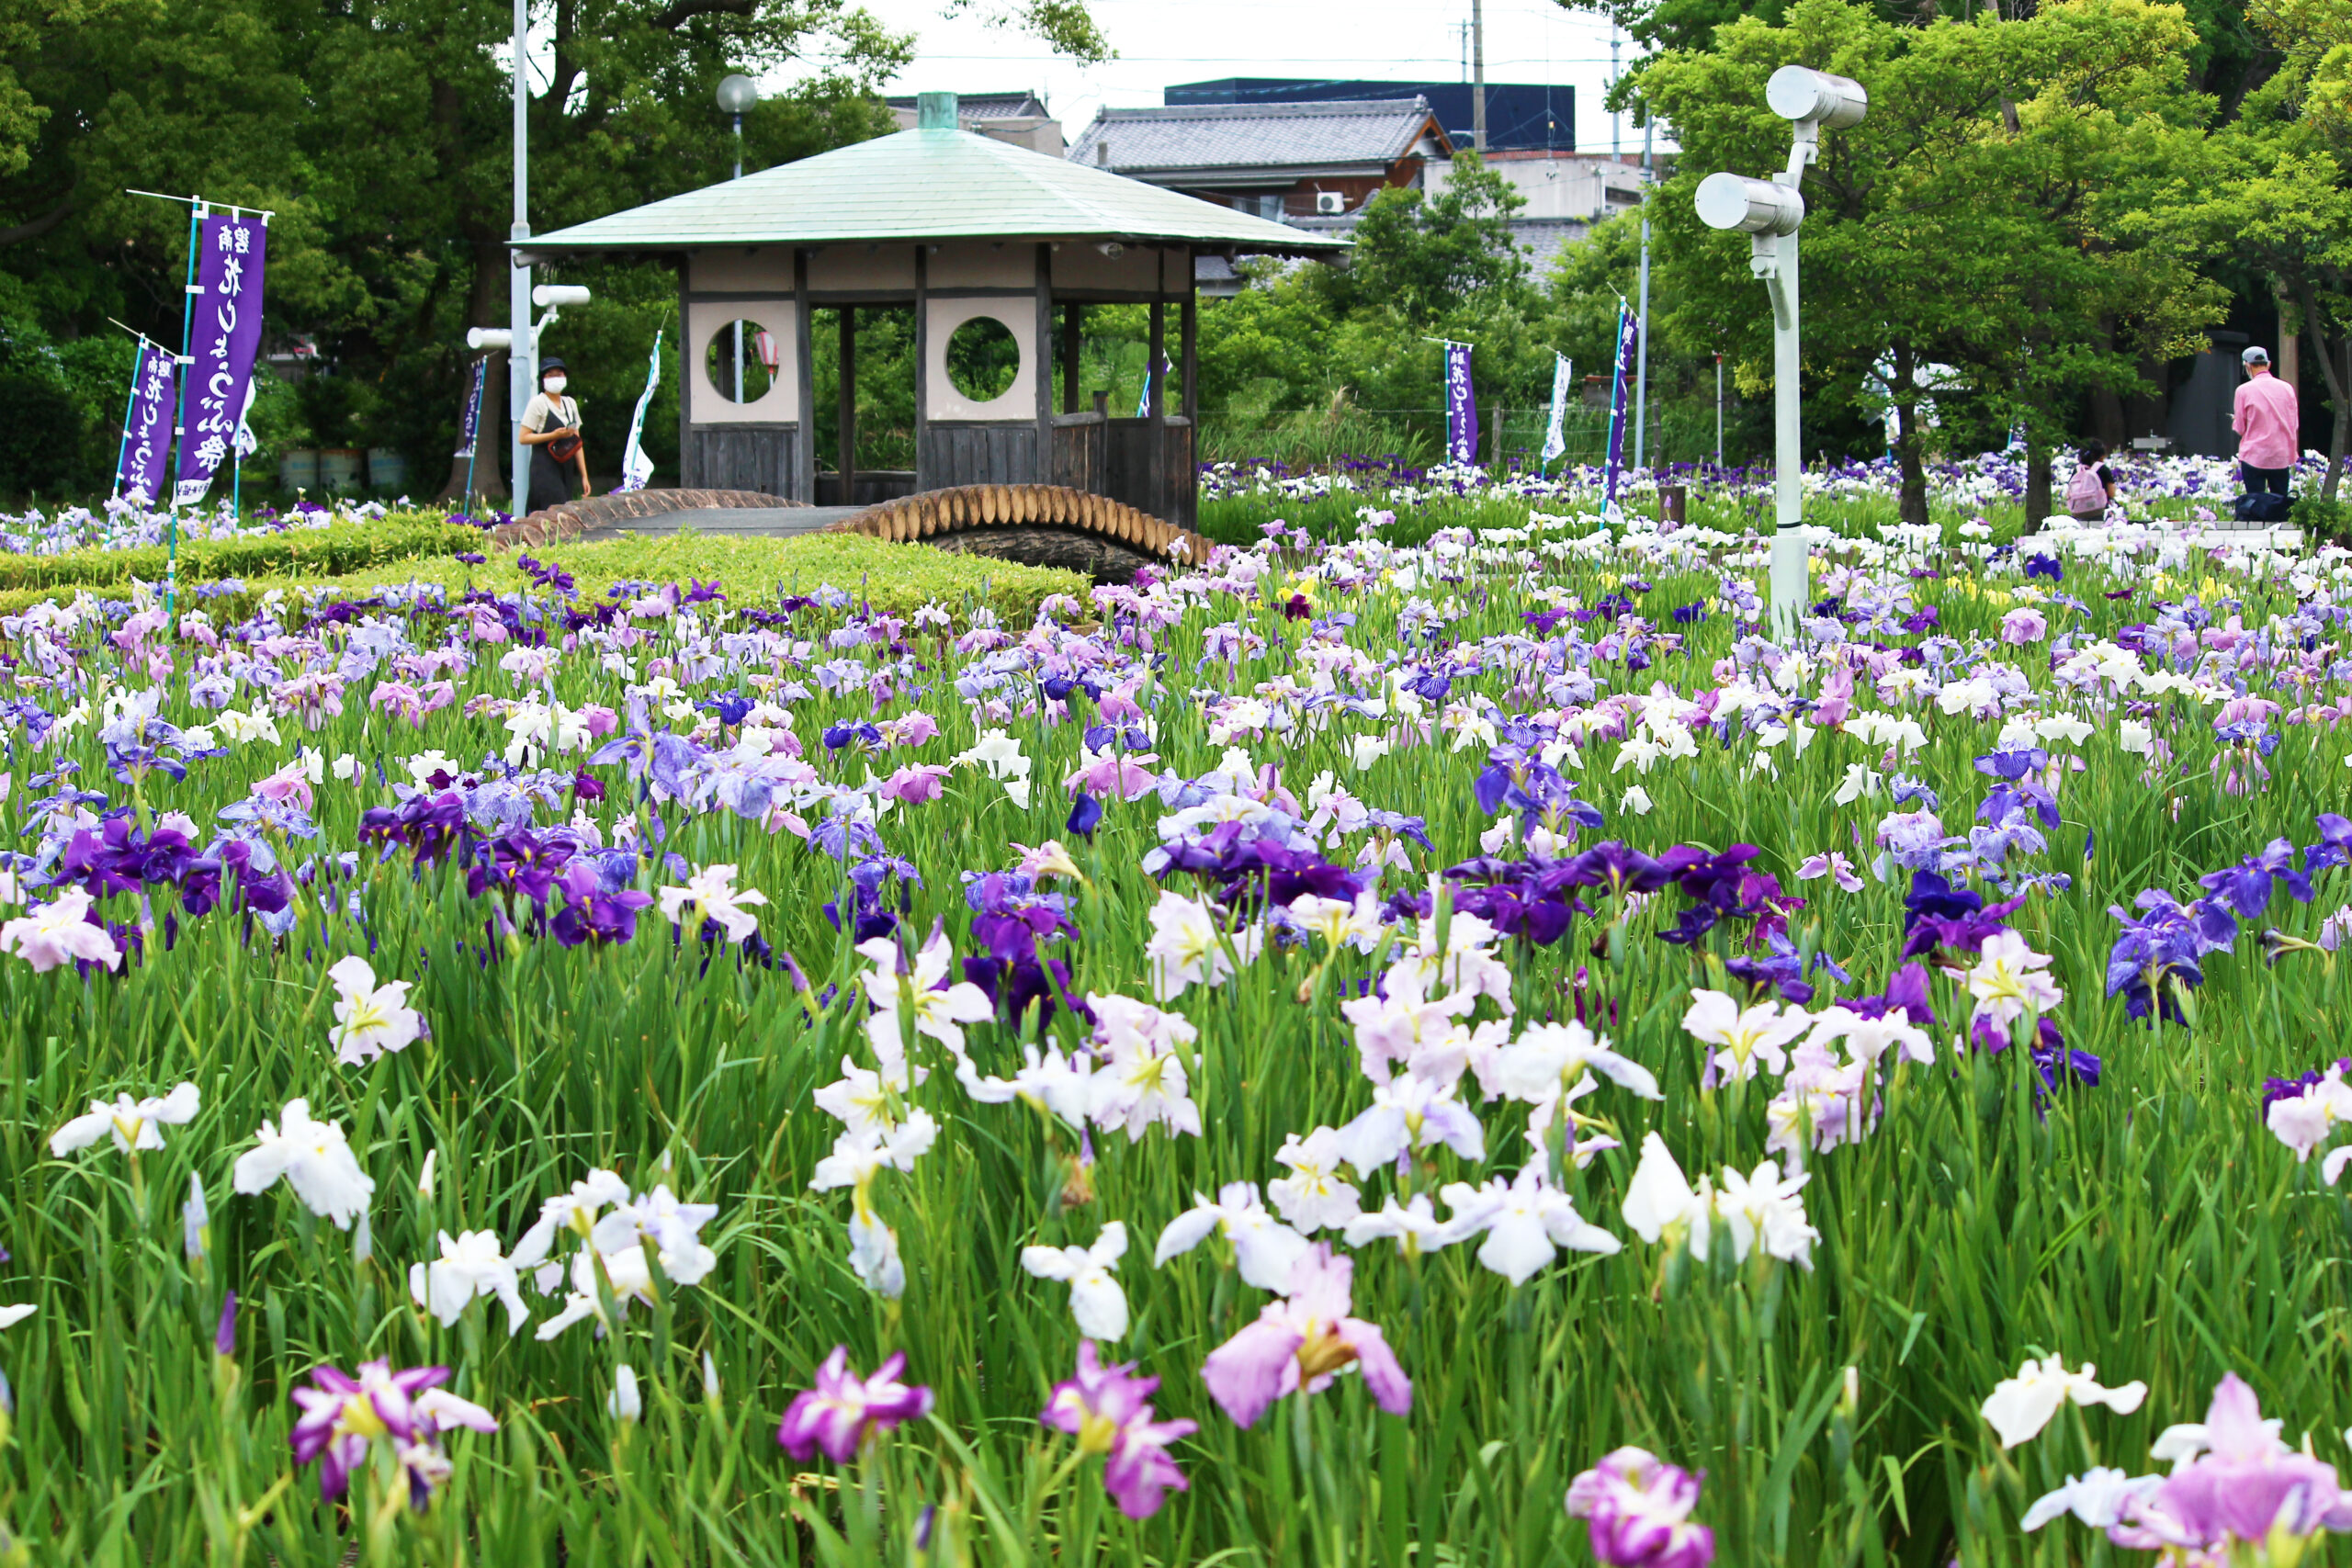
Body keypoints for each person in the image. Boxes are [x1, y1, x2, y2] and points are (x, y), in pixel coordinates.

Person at [519, 357, 591, 514]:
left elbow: (577, 442)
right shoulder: (538, 402)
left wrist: (584, 476)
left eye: (559, 374)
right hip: (544, 466)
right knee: (552, 511)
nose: (555, 379)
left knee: (566, 510)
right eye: (550, 375)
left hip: (565, 466)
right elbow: (523, 437)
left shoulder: (570, 403)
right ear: (543, 380)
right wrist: (552, 435)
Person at [2233, 344, 2300, 500]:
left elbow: (2241, 428)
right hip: (2280, 454)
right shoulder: (2287, 388)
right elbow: (2293, 423)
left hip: (2254, 455)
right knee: (2280, 504)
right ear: (2268, 364)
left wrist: (2236, 421)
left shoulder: (2243, 390)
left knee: (2255, 505)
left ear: (2247, 365)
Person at [2064, 441, 2119, 523]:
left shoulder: (2078, 470)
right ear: (2101, 455)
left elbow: (2069, 493)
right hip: (2099, 513)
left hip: (2078, 513)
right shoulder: (2103, 469)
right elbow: (2111, 493)